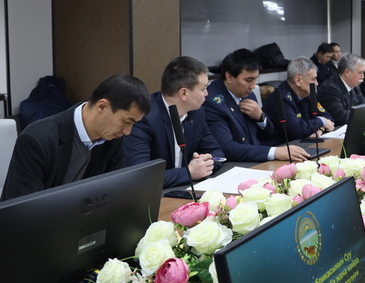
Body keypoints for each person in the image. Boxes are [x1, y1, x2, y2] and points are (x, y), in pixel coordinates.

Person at [2, 74, 150, 201]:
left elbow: (116, 191)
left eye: (133, 124)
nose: (127, 131)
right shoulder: (37, 140)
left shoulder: (112, 137)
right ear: (102, 106)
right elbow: (23, 211)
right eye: (126, 121)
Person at [125, 56, 224, 188]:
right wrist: (189, 173)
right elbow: (140, 176)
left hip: (185, 188)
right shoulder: (144, 118)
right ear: (183, 93)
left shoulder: (196, 112)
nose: (207, 93)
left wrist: (205, 163)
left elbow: (216, 151)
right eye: (203, 89)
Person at [204, 49, 309, 162]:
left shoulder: (248, 94)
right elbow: (227, 148)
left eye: (255, 79)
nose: (253, 86)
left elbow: (268, 135)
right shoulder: (212, 102)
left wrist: (261, 118)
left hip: (256, 158)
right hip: (234, 164)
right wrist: (274, 152)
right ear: (229, 77)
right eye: (248, 80)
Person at [264, 56, 335, 144]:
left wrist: (320, 128)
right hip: (282, 147)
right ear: (298, 80)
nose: (317, 83)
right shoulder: (280, 98)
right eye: (313, 79)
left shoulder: (308, 95)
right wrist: (321, 121)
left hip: (301, 144)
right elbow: (296, 130)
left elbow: (329, 117)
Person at [317, 53, 365, 126]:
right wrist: (363, 114)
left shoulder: (354, 85)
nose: (363, 77)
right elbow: (341, 118)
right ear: (347, 72)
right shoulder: (330, 88)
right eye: (360, 73)